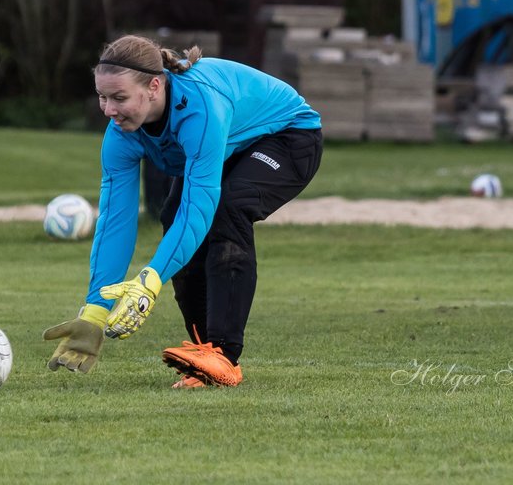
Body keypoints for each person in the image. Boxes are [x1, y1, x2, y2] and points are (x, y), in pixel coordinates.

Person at [43, 34, 323, 388]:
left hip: (289, 137)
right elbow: (116, 222)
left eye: (119, 98)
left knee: (226, 209)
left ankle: (222, 356)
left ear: (154, 86)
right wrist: (96, 310)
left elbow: (199, 211)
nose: (109, 110)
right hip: (229, 148)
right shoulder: (121, 135)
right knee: (173, 218)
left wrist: (150, 280)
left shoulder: (198, 108)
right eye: (102, 97)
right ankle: (203, 356)